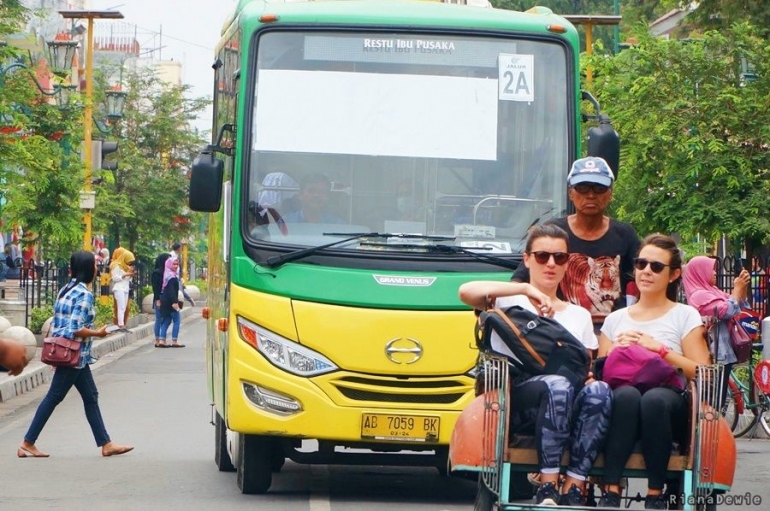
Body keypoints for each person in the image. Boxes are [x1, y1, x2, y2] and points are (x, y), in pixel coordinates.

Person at [459, 224, 612, 507]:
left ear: (567, 263)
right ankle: (548, 485)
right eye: (542, 256)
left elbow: (585, 366)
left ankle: (575, 485)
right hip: (518, 402)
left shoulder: (578, 315)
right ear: (527, 259)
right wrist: (526, 288)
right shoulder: (507, 299)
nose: (551, 263)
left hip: (568, 401)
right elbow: (466, 291)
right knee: (557, 385)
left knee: (600, 390)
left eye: (560, 257)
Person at [597, 234, 710, 509]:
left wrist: (659, 350)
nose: (647, 271)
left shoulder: (684, 315)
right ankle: (610, 488)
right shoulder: (615, 319)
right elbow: (600, 372)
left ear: (673, 275)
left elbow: (702, 371)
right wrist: (614, 352)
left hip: (669, 399)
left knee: (654, 399)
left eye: (656, 267)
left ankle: (655, 492)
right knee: (625, 396)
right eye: (641, 263)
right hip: (623, 399)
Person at [17, 251, 134, 458]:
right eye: (95, 266)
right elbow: (75, 328)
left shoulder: (66, 289)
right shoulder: (84, 294)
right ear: (89, 269)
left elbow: (59, 322)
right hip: (73, 354)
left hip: (72, 354)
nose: (98, 269)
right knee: (54, 396)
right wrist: (99, 332)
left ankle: (106, 443)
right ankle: (28, 441)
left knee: (91, 396)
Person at [512, 156, 640, 333]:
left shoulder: (625, 235)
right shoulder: (552, 231)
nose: (590, 195)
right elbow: (519, 279)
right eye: (582, 188)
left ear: (610, 194)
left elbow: (643, 281)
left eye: (599, 188)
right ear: (570, 193)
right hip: (558, 328)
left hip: (613, 332)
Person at [682, 255, 749, 406]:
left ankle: (718, 425)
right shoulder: (699, 295)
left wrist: (742, 287)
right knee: (714, 401)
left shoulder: (713, 290)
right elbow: (728, 310)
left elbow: (740, 304)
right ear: (699, 272)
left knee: (720, 397)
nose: (714, 273)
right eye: (711, 270)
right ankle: (713, 428)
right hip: (714, 355)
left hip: (723, 352)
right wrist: (737, 289)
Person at [159, 257, 184, 348]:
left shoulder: (167, 275)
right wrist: (175, 302)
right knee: (177, 321)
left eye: (177, 264)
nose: (176, 266)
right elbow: (171, 291)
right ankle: (174, 341)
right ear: (169, 264)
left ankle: (162, 340)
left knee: (166, 320)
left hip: (164, 301)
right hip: (171, 302)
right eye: (174, 264)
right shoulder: (172, 277)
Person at [110, 248, 135, 332]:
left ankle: (122, 324)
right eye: (128, 261)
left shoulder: (125, 267)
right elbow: (114, 278)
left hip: (125, 288)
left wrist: (130, 274)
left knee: (124, 307)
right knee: (121, 307)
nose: (129, 263)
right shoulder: (116, 265)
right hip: (119, 288)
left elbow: (128, 279)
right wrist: (125, 274)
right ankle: (120, 325)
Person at [151, 253, 172, 348]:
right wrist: (158, 299)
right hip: (159, 298)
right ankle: (157, 339)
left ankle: (162, 338)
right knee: (159, 319)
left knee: (167, 318)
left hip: (166, 299)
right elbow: (155, 288)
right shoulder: (157, 273)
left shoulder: (167, 272)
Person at [169, 242, 195, 307]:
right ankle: (185, 302)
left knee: (181, 290)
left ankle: (189, 300)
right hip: (173, 276)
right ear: (178, 248)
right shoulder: (171, 255)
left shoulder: (176, 255)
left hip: (177, 276)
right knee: (180, 291)